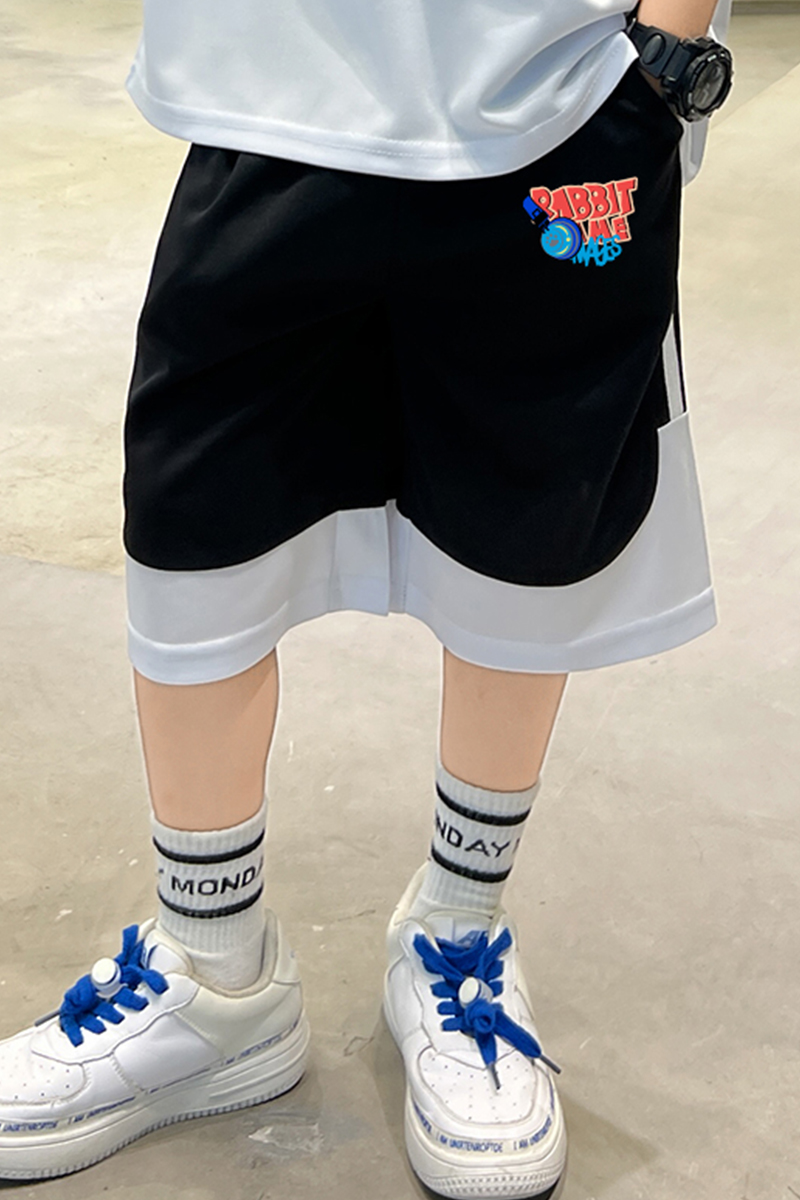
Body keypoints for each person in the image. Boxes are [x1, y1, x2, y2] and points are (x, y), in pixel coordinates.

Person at [0, 0, 733, 1194]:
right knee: (195, 525)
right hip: (261, 83)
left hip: (554, 84)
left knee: (528, 522)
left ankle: (457, 928)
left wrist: (661, 55)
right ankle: (212, 969)